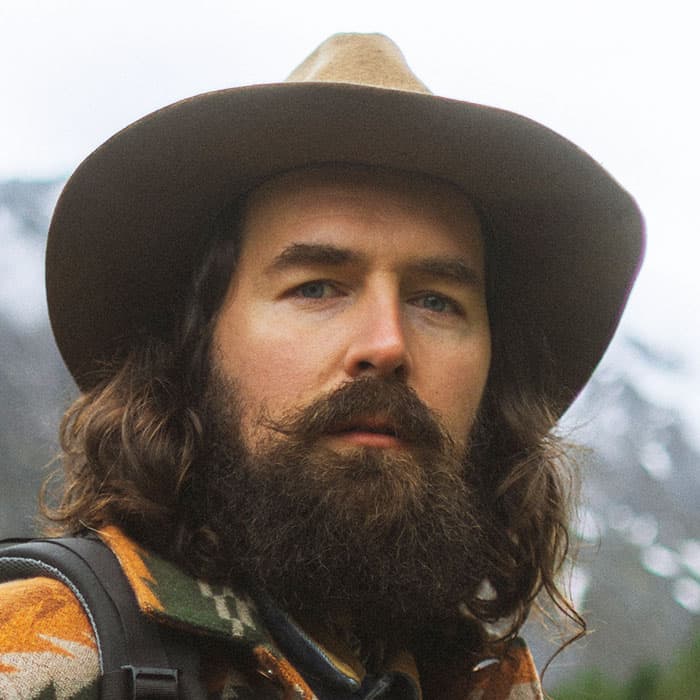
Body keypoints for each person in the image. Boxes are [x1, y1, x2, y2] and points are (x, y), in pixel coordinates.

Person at [0, 33, 644, 699]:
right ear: (195, 346)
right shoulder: (38, 649)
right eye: (316, 287)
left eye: (435, 301)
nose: (387, 344)